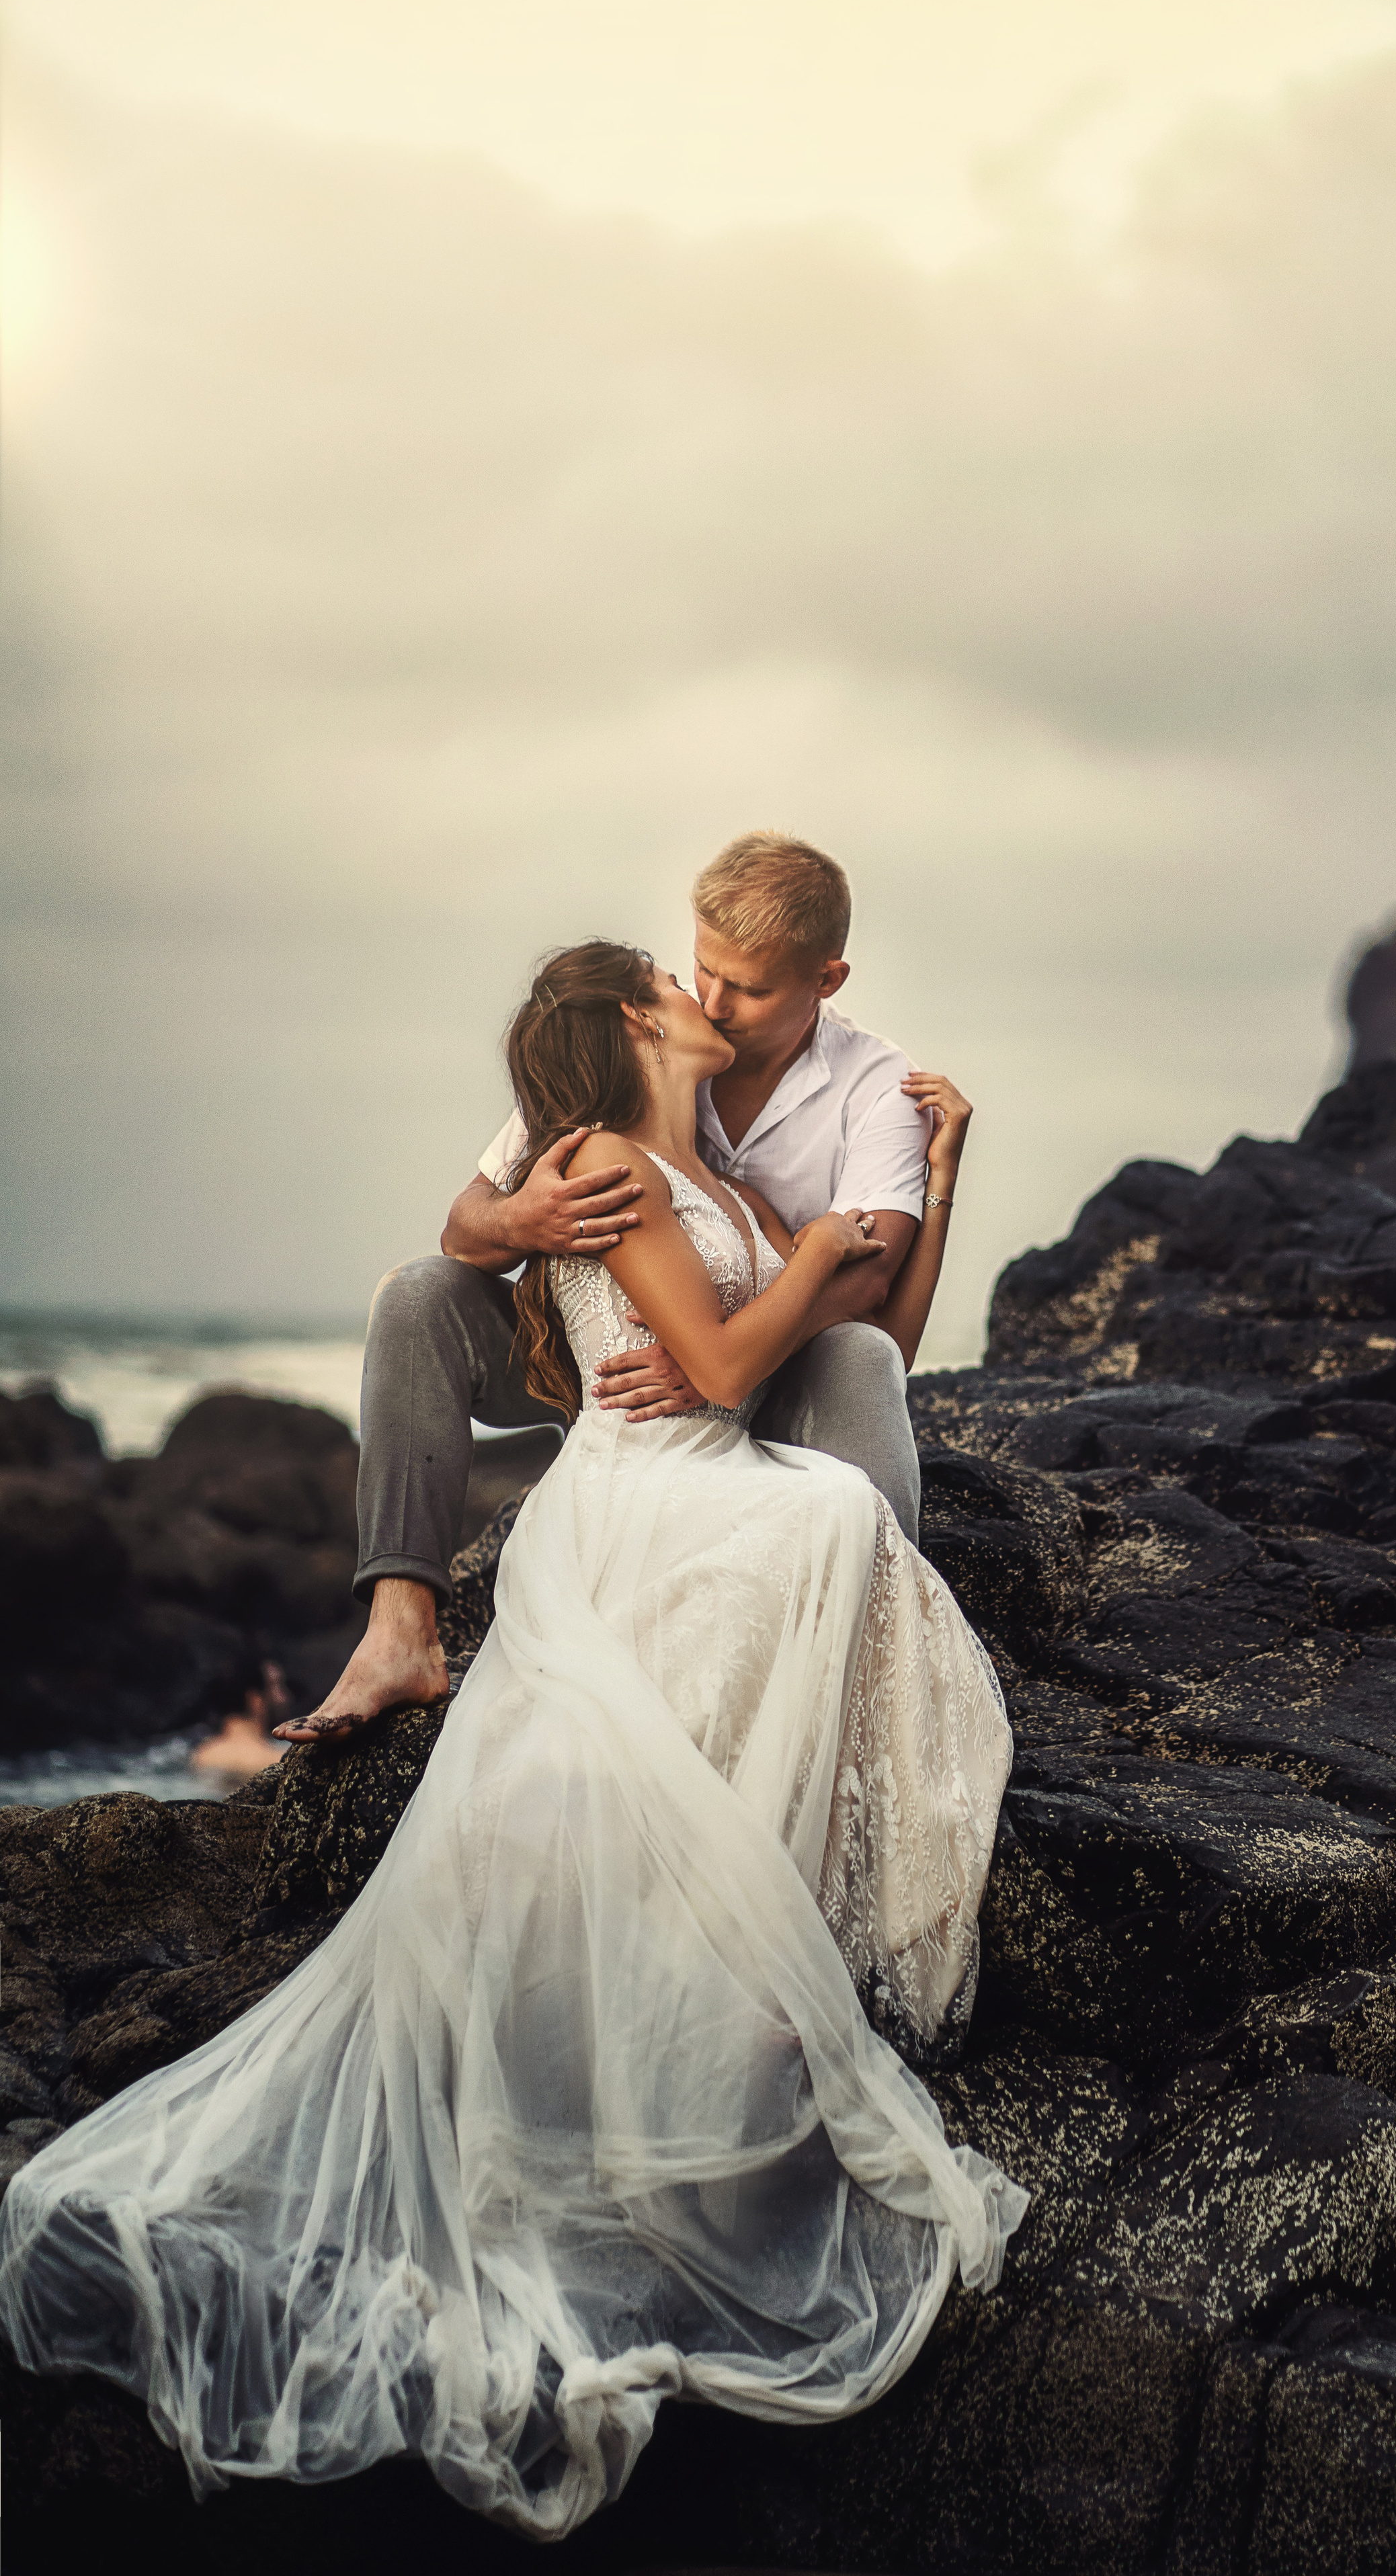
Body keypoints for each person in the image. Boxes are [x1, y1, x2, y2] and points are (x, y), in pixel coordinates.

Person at [0, 938, 1024, 2540]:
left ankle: (791, 1822)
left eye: (729, 970)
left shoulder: (752, 1143)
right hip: (653, 1460)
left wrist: (900, 1189)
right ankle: (400, 1621)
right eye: (679, 976)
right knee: (801, 1514)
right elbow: (522, 1251)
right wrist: (570, 1231)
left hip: (699, 1440)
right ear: (634, 1024)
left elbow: (861, 1313)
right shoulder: (607, 1148)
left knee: (830, 1500)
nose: (704, 987)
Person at [285, 831, 967, 1746]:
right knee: (419, 1294)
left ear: (826, 980)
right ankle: (399, 1633)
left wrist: (710, 1360)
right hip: (609, 1379)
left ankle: (876, 1657)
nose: (714, 1004)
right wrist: (524, 1221)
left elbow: (873, 1271)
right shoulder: (623, 1043)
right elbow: (466, 1222)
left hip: (764, 1376)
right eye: (701, 972)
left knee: (860, 1353)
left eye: (751, 988)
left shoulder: (878, 1087)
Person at [188, 1657, 291, 1782]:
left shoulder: (202, 1756)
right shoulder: (278, 1761)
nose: (287, 1697)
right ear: (255, 1700)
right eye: (278, 1686)